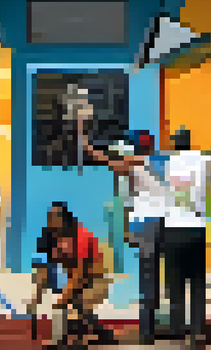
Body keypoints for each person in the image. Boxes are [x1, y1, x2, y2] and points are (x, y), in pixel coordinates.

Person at [81, 126, 167, 344]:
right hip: (165, 225)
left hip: (147, 227)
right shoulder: (162, 163)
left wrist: (87, 146)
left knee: (148, 277)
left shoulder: (133, 165)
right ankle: (160, 323)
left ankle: (148, 329)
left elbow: (106, 160)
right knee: (158, 277)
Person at [31, 203, 112, 350]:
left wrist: (63, 298)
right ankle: (98, 332)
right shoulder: (52, 239)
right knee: (73, 303)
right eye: (49, 217)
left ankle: (69, 342)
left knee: (77, 302)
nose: (50, 221)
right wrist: (37, 296)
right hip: (78, 281)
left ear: (64, 219)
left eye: (54, 217)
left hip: (96, 281)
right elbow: (42, 269)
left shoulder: (81, 236)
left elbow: (79, 274)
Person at [162, 128, 211, 348]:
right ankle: (198, 330)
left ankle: (177, 329)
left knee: (175, 284)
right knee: (197, 283)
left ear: (175, 144)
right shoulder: (202, 161)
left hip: (173, 228)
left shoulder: (168, 164)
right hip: (196, 227)